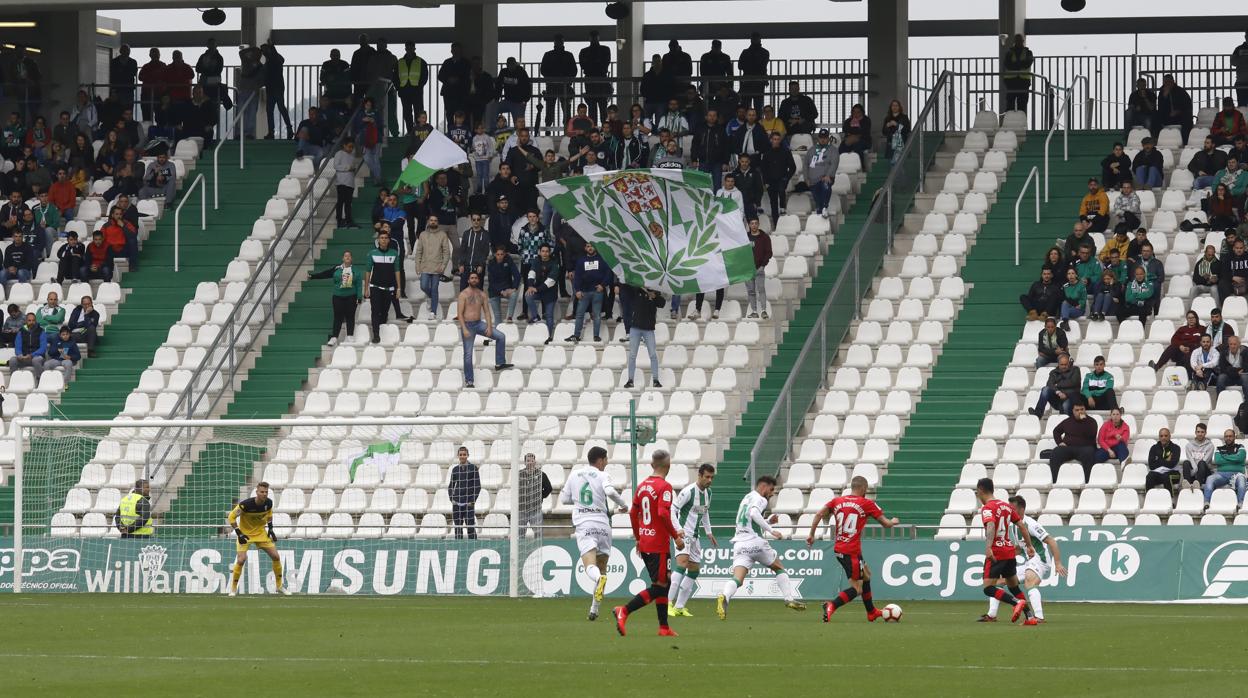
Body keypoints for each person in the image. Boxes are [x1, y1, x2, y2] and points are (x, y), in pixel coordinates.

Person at [806, 474, 899, 623]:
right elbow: (886, 524)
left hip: (840, 548)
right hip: (851, 552)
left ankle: (871, 612)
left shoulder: (837, 501)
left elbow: (818, 514)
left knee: (866, 574)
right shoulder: (867, 503)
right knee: (857, 588)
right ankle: (831, 605)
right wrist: (893, 521)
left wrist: (811, 534)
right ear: (864, 488)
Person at [611, 450, 683, 637]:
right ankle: (624, 610)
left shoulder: (642, 486)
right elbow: (663, 513)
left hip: (646, 541)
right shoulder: (665, 487)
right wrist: (675, 536)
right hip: (658, 544)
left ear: (652, 465)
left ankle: (664, 627)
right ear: (668, 466)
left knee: (663, 583)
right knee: (660, 586)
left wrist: (638, 537)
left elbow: (633, 514)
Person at [716, 475, 807, 620]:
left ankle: (724, 596)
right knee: (779, 567)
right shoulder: (761, 499)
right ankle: (789, 599)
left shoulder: (747, 498)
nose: (771, 494)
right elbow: (753, 513)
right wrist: (771, 530)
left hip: (739, 543)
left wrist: (768, 521)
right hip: (754, 541)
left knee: (737, 579)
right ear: (763, 487)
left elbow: (749, 517)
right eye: (771, 490)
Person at [561, 445, 629, 622]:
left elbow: (564, 499)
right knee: (603, 568)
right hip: (603, 525)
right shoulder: (602, 475)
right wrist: (623, 505)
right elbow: (610, 491)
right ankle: (594, 609)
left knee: (590, 566)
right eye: (606, 460)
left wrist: (579, 500)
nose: (606, 464)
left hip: (584, 524)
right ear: (600, 460)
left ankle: (598, 581)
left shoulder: (575, 474)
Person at [979, 496, 1064, 624]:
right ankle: (992, 615)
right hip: (1029, 562)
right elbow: (1020, 548)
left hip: (1040, 560)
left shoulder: (1030, 524)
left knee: (1029, 581)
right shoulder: (1014, 525)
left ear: (1022, 509)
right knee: (999, 581)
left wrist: (1057, 563)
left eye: (1013, 508)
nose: (1010, 511)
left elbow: (1051, 540)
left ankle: (1039, 617)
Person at [976, 478, 1037, 624]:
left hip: (997, 552)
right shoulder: (1006, 507)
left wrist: (989, 547)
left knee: (988, 588)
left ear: (981, 490)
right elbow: (1022, 526)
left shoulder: (988, 508)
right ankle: (1030, 617)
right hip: (1009, 552)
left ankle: (1016, 602)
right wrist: (1029, 546)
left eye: (977, 492)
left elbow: (990, 525)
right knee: (1014, 586)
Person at [666, 463, 716, 618]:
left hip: (695, 536)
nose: (709, 480)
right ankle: (667, 604)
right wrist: (678, 529)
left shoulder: (709, 493)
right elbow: (672, 510)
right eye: (707, 477)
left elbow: (705, 512)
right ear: (699, 476)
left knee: (694, 570)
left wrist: (709, 532)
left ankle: (680, 606)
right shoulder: (688, 491)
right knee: (682, 565)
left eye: (712, 477)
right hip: (683, 534)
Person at [227, 482, 290, 596]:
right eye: (262, 492)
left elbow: (269, 514)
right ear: (257, 492)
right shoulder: (245, 505)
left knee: (276, 556)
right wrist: (239, 533)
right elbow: (231, 517)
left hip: (261, 534)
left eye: (266, 492)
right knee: (241, 560)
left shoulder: (269, 503)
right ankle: (233, 589)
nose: (264, 494)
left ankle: (279, 586)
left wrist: (270, 529)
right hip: (245, 534)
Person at [456, 271, 513, 389]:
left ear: (478, 280)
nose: (474, 280)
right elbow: (460, 314)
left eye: (475, 278)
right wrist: (464, 328)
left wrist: (489, 326)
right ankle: (469, 381)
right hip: (467, 325)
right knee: (467, 354)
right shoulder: (463, 294)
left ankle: (500, 362)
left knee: (501, 336)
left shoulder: (482, 294)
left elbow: (487, 311)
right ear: (468, 280)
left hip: (478, 323)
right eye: (471, 278)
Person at [308, 250, 362, 346]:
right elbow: (325, 274)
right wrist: (313, 276)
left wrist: (359, 297)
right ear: (343, 258)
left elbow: (359, 285)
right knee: (338, 317)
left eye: (349, 256)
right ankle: (334, 338)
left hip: (351, 296)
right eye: (346, 256)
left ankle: (350, 335)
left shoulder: (356, 271)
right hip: (338, 296)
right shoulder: (337, 268)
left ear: (352, 258)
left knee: (350, 316)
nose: (347, 257)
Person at [621, 284, 665, 389]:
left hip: (649, 329)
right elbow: (628, 288)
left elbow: (662, 303)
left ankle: (655, 379)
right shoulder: (637, 290)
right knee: (632, 355)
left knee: (653, 355)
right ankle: (630, 380)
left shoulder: (656, 291)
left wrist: (654, 296)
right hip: (635, 327)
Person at [567, 242, 612, 343]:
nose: (590, 248)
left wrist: (603, 285)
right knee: (579, 314)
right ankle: (576, 335)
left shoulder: (602, 259)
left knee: (597, 315)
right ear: (585, 248)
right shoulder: (581, 261)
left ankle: (596, 336)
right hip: (584, 292)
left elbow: (609, 274)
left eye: (592, 246)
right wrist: (577, 290)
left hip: (597, 292)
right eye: (588, 246)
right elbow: (577, 276)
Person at [363, 228, 400, 344]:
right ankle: (376, 335)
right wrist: (366, 288)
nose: (383, 240)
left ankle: (381, 331)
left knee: (385, 312)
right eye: (381, 238)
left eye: (385, 238)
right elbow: (368, 271)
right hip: (375, 287)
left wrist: (399, 288)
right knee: (375, 311)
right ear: (378, 240)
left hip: (389, 288)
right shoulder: (372, 253)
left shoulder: (394, 253)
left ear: (389, 240)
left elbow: (397, 271)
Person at [1047, 403, 1098, 481]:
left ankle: (1087, 481)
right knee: (1056, 452)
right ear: (1073, 411)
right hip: (1068, 447)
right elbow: (1056, 431)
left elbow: (1091, 435)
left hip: (1084, 448)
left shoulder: (1091, 421)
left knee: (1089, 452)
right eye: (1077, 410)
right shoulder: (1068, 421)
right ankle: (1055, 480)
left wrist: (1084, 421)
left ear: (1085, 410)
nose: (1080, 412)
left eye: (1082, 409)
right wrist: (1060, 442)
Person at [414, 216, 453, 320]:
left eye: (435, 220)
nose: (433, 222)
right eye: (431, 220)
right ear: (428, 222)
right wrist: (417, 265)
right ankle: (430, 297)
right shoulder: (422, 234)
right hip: (425, 266)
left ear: (438, 222)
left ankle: (433, 312)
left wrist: (443, 265)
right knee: (423, 286)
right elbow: (418, 251)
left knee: (435, 289)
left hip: (437, 267)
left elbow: (446, 252)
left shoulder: (442, 235)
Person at [525, 243, 561, 344]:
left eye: (547, 251)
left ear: (549, 253)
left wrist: (537, 289)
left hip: (550, 292)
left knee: (549, 315)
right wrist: (531, 286)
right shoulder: (536, 261)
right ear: (539, 252)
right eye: (543, 251)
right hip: (539, 290)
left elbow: (551, 281)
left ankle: (549, 336)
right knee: (528, 295)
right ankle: (535, 316)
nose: (545, 253)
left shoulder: (554, 263)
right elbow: (531, 273)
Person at [540, 35, 577, 128]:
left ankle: (550, 131)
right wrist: (565, 77)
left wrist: (552, 77)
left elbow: (543, 70)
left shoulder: (548, 55)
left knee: (554, 110)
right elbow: (573, 71)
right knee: (561, 110)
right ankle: (565, 131)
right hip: (562, 85)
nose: (559, 43)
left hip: (554, 86)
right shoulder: (568, 55)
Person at [1204, 429, 1248, 504]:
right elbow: (1218, 460)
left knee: (1242, 481)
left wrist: (1224, 456)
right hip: (1221, 474)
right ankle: (1207, 503)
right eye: (1226, 436)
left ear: (1234, 437)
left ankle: (1240, 504)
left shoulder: (1240, 447)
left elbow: (1240, 458)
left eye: (1230, 436)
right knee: (1210, 479)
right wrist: (1234, 458)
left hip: (1237, 474)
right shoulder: (1219, 448)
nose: (1228, 438)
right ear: (1224, 438)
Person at [448, 446, 482, 540]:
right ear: (458, 456)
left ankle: (473, 546)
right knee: (458, 528)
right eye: (460, 455)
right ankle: (458, 548)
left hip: (468, 503)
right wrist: (452, 499)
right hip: (457, 503)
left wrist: (473, 501)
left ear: (467, 455)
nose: (462, 456)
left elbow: (477, 486)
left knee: (470, 527)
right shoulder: (455, 469)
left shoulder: (473, 468)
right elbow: (451, 485)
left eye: (464, 454)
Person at [760, 131, 795, 220]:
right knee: (773, 203)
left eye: (778, 139)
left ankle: (783, 208)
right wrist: (766, 182)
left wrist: (786, 178)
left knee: (781, 190)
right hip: (770, 181)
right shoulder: (766, 154)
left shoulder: (786, 152)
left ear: (780, 140)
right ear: (771, 140)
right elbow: (763, 169)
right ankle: (776, 224)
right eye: (774, 139)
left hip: (782, 179)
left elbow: (793, 167)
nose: (776, 141)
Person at [804, 129, 839, 217]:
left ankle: (825, 207)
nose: (823, 139)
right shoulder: (811, 150)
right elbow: (805, 164)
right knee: (817, 199)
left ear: (828, 139)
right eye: (821, 138)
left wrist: (828, 175)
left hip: (825, 178)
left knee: (826, 187)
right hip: (813, 180)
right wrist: (806, 178)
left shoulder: (833, 150)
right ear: (818, 139)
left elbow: (834, 163)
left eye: (825, 138)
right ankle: (820, 211)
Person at [395, 42, 428, 135]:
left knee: (418, 111)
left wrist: (419, 86)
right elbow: (395, 77)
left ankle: (419, 131)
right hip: (404, 91)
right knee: (407, 113)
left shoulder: (421, 62)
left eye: (411, 48)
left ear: (414, 48)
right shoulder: (399, 62)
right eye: (407, 48)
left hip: (416, 91)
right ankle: (410, 131)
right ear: (405, 49)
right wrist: (399, 88)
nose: (409, 50)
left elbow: (424, 76)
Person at [517, 453, 552, 536]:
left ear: (535, 462)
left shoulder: (541, 475)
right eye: (528, 461)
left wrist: (540, 497)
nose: (530, 462)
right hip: (521, 510)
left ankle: (539, 548)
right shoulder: (519, 474)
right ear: (524, 463)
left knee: (538, 533)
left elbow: (549, 488)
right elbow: (515, 489)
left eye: (532, 460)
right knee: (519, 534)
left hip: (535, 510)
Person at [1140, 428, 1182, 493]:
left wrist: (1158, 460)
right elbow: (1151, 465)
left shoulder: (1176, 448)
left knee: (1166, 476)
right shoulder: (1154, 448)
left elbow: (1172, 464)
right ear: (1159, 437)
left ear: (1170, 436)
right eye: (1161, 436)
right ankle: (1149, 500)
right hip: (1158, 473)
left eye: (1166, 436)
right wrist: (1165, 460)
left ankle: (1170, 500)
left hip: (1173, 473)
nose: (1163, 438)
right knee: (1150, 476)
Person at [485, 247, 521, 323]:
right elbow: (492, 282)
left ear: (504, 254)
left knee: (514, 294)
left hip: (507, 289)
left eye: (502, 254)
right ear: (495, 255)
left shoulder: (509, 261)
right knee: (497, 315)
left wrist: (513, 288)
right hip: (494, 291)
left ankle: (509, 317)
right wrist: (501, 291)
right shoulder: (491, 264)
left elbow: (517, 275)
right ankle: (498, 333)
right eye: (498, 254)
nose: (500, 256)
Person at [236, 44, 264, 138]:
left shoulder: (261, 67)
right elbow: (241, 53)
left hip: (253, 92)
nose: (257, 55)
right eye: (255, 53)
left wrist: (258, 86)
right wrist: (252, 48)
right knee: (240, 112)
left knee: (251, 113)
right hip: (243, 90)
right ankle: (239, 133)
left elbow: (262, 80)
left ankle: (248, 133)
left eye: (258, 53)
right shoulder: (246, 61)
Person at [738, 32, 770, 113]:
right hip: (758, 81)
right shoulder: (764, 52)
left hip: (748, 82)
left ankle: (749, 123)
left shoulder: (745, 52)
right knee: (757, 107)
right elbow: (761, 66)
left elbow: (740, 65)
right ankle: (757, 123)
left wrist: (749, 65)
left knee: (747, 106)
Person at [1157, 74, 1193, 143]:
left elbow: (1188, 105)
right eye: (1165, 82)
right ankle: (1158, 140)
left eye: (1169, 82)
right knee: (1155, 117)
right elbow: (1160, 107)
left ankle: (1185, 141)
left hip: (1180, 116)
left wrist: (1178, 111)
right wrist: (1164, 97)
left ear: (1173, 82)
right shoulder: (1161, 92)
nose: (1167, 84)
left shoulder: (1181, 91)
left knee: (1187, 118)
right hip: (1167, 116)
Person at [1002, 34, 1034, 113]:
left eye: (1020, 40)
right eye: (1017, 40)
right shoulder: (1009, 53)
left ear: (1023, 41)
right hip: (1011, 82)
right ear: (1014, 41)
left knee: (1022, 105)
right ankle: (1009, 123)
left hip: (1023, 82)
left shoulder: (1028, 52)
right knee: (1010, 105)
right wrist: (1020, 65)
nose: (1019, 42)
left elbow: (1027, 64)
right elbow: (1008, 65)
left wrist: (1015, 64)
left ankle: (1021, 123)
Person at [333, 138, 359, 228]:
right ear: (344, 145)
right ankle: (339, 220)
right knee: (340, 201)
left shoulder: (352, 155)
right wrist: (348, 168)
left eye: (352, 147)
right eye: (349, 147)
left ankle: (348, 220)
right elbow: (336, 166)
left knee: (348, 203)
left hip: (350, 182)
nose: (351, 149)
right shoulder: (339, 154)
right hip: (341, 182)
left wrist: (352, 168)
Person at [1183, 423, 1216, 488]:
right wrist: (1194, 471)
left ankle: (1198, 484)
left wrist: (1193, 472)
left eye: (1202, 432)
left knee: (1201, 463)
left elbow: (1205, 461)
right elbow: (1191, 461)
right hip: (1193, 473)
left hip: (1204, 474)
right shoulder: (1188, 445)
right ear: (1195, 432)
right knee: (1186, 463)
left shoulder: (1210, 446)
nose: (1200, 434)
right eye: (1198, 432)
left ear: (1205, 433)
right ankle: (1188, 485)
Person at [110, 44, 139, 111]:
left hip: (128, 89)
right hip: (118, 89)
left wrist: (121, 73)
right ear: (120, 51)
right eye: (124, 50)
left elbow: (133, 73)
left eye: (127, 50)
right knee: (117, 108)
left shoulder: (133, 62)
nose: (126, 52)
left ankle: (128, 121)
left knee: (128, 108)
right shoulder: (114, 62)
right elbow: (113, 75)